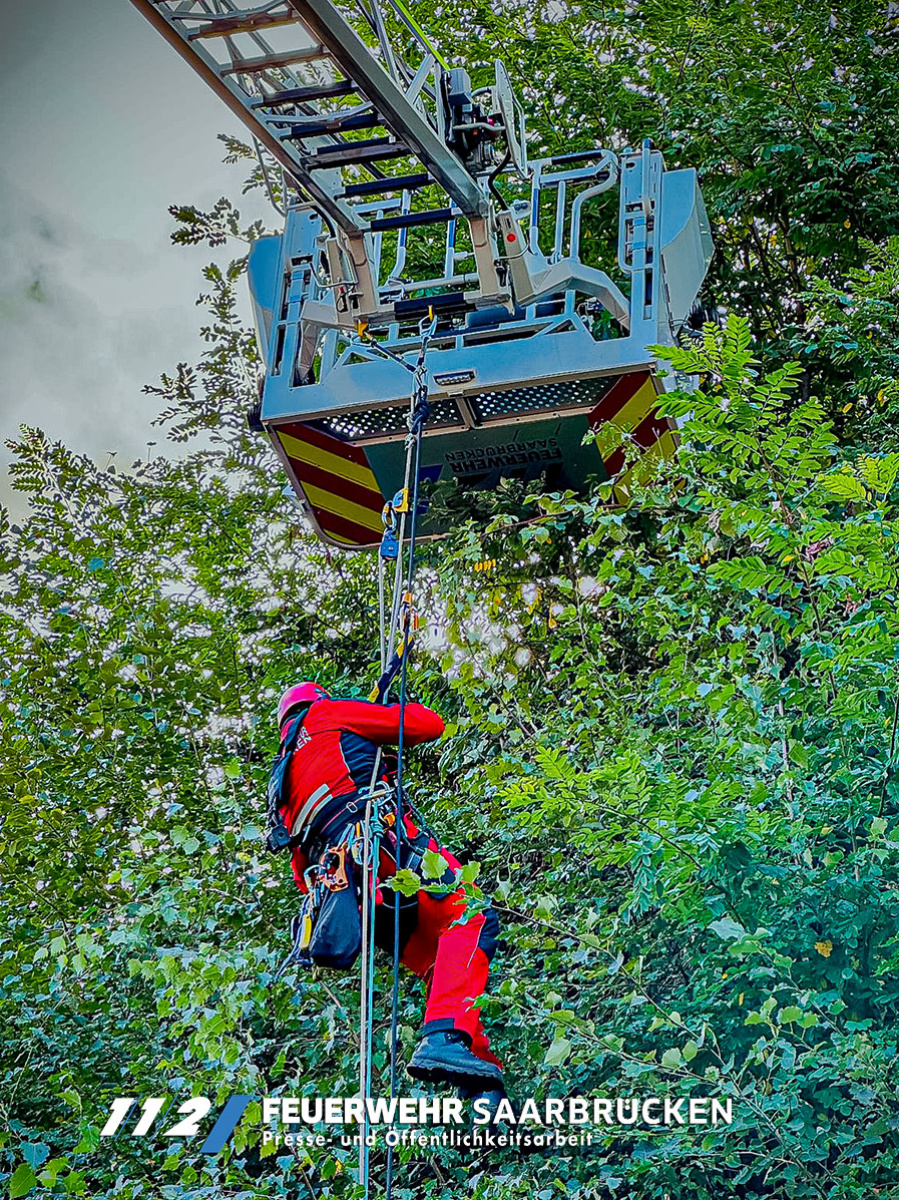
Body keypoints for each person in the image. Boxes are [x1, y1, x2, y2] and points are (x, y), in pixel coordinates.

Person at [273, 681, 504, 1095]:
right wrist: (389, 710)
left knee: (446, 966)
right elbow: (428, 725)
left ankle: (484, 1090)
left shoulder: (283, 783)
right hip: (383, 849)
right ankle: (442, 1040)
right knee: (474, 916)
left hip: (356, 898)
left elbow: (299, 872)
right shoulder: (326, 716)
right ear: (316, 702)